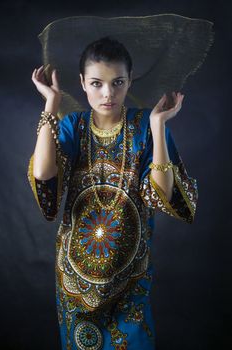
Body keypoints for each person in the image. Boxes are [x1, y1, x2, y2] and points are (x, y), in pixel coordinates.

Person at [27, 36, 198, 350]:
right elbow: (42, 173)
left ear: (129, 80)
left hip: (130, 275)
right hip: (76, 279)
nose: (107, 93)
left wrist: (158, 125)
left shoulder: (145, 125)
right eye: (96, 83)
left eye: (118, 82)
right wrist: (51, 103)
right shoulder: (73, 126)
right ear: (81, 83)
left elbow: (162, 194)